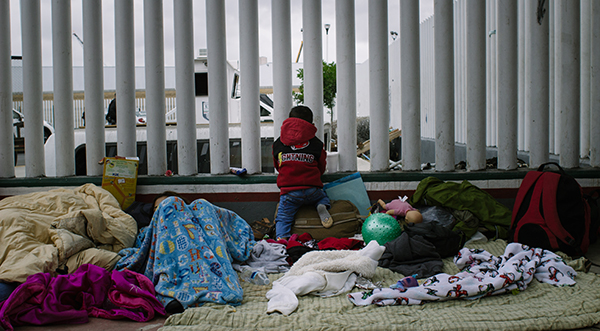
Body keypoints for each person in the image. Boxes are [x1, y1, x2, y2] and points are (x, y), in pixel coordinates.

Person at [116, 191, 256, 314]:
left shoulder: (197, 218)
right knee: (172, 203)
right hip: (170, 260)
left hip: (203, 254)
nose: (165, 211)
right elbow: (144, 252)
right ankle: (176, 289)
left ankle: (208, 285)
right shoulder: (148, 232)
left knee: (202, 204)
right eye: (158, 209)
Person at [272, 105, 332, 241]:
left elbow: (278, 166)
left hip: (289, 193)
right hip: (312, 190)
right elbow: (321, 167)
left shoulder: (278, 144)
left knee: (283, 218)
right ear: (312, 124)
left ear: (289, 121)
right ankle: (321, 205)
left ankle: (282, 241)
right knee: (323, 197)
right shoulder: (317, 144)